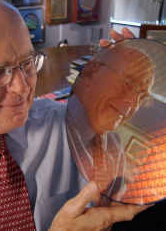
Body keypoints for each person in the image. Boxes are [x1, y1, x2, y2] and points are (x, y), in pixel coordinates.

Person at [0, 0, 150, 231]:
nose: (22, 87)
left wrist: (125, 91)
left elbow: (130, 170)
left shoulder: (68, 123)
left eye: (27, 63)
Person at [66, 41, 154, 200]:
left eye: (142, 97)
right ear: (92, 72)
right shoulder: (36, 131)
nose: (133, 104)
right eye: (128, 82)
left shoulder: (114, 144)